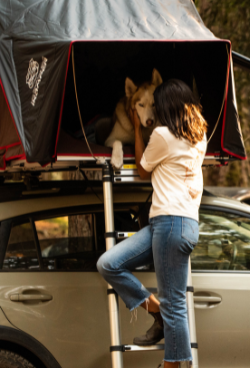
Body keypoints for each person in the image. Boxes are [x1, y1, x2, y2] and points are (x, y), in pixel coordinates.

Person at [97, 79, 208, 368]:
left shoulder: (161, 135)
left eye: (157, 105)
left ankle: (171, 366)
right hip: (174, 223)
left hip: (171, 224)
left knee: (175, 305)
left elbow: (144, 172)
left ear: (166, 107)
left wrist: (135, 128)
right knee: (109, 264)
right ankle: (157, 312)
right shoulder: (200, 136)